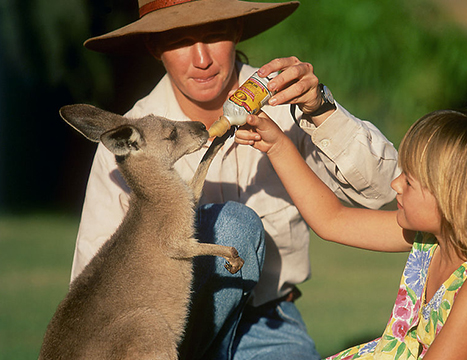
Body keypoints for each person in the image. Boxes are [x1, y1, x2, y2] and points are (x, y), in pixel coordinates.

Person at [71, 0, 399, 359]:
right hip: (175, 329)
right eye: (180, 41)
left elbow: (381, 192)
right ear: (155, 47)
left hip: (268, 320)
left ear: (236, 31)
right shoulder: (131, 142)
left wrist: (321, 109)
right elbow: (93, 286)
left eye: (213, 35)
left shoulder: (284, 97)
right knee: (232, 227)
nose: (201, 59)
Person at [236, 109, 467, 359]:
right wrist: (277, 146)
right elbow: (332, 219)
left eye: (408, 181)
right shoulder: (429, 240)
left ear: (453, 200)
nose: (395, 185)